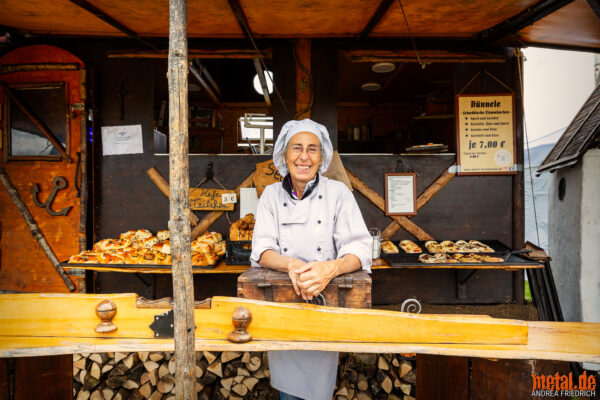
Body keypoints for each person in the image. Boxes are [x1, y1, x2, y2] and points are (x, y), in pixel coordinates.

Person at [250, 118, 372, 400]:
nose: (303, 156)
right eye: (296, 148)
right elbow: (263, 250)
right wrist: (292, 265)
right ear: (284, 154)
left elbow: (360, 249)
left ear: (322, 157)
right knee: (288, 391)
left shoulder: (338, 194)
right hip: (283, 306)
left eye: (312, 149)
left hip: (324, 303)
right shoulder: (270, 195)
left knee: (319, 388)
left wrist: (330, 268)